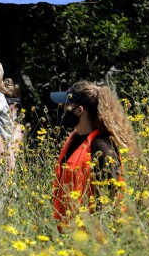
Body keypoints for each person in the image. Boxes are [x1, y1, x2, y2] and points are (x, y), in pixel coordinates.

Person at [50, 80, 139, 228]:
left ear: (79, 110)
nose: (63, 108)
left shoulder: (102, 146)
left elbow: (111, 198)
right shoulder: (74, 138)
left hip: (90, 237)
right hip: (67, 233)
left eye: (67, 105)